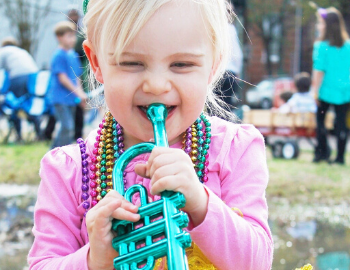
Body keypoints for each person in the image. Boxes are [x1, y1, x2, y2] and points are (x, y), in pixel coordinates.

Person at [28, 1, 273, 269]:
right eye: (131, 63)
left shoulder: (233, 150)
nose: (156, 85)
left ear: (213, 65)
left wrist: (200, 202)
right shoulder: (67, 171)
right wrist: (93, 259)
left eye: (181, 64)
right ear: (96, 62)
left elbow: (257, 262)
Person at [312, 7, 350, 164]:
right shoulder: (348, 46)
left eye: (320, 23)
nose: (318, 26)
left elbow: (319, 71)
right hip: (345, 92)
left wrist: (314, 91)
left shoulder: (322, 46)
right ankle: (340, 157)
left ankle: (322, 153)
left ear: (327, 25)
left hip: (325, 92)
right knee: (342, 125)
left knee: (320, 122)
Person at [48, 21, 87, 149]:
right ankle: (55, 153)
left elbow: (77, 77)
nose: (73, 39)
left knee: (70, 128)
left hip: (71, 99)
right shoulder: (58, 55)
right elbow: (63, 78)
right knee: (67, 126)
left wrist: (81, 94)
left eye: (73, 36)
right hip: (60, 98)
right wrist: (78, 92)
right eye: (69, 36)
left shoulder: (73, 55)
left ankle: (58, 154)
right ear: (59, 37)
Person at [0, 37, 41, 141]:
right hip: (33, 77)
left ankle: (19, 136)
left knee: (15, 105)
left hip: (19, 77)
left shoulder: (4, 51)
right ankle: (39, 133)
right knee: (28, 105)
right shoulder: (21, 51)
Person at [215, 3, 243, 117]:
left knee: (214, 107)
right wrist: (238, 71)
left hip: (215, 72)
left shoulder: (212, 28)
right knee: (227, 107)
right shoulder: (230, 29)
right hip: (229, 72)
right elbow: (237, 54)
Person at [68, 7, 89, 140]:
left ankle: (78, 134)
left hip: (81, 71)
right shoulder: (69, 33)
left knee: (80, 104)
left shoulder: (81, 33)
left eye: (75, 15)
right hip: (71, 70)